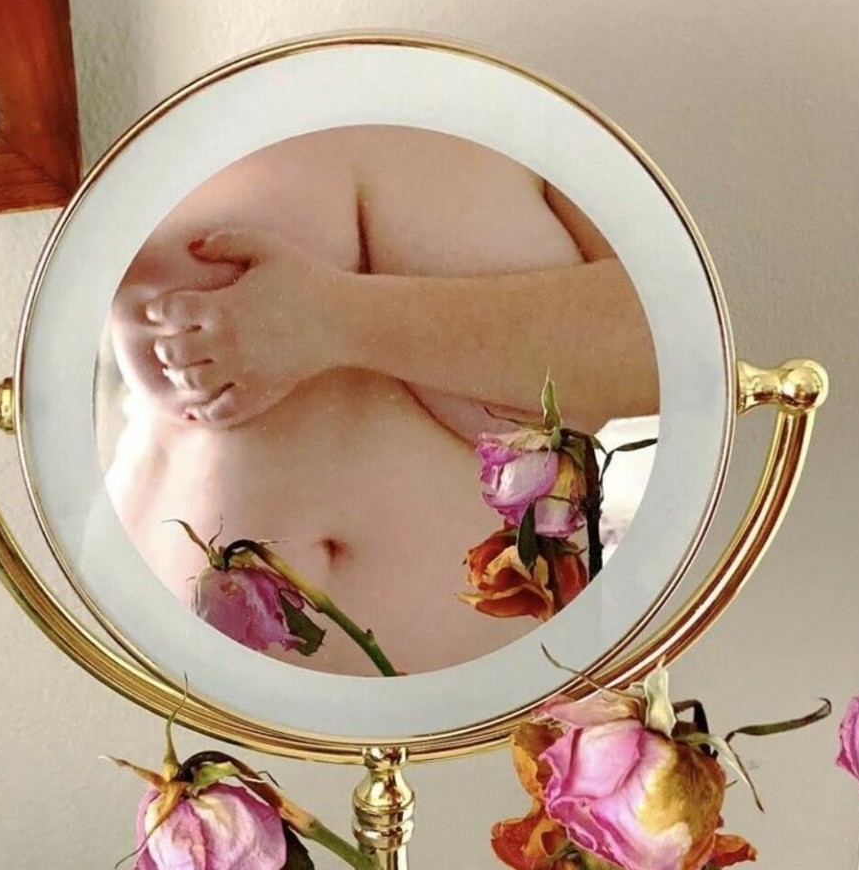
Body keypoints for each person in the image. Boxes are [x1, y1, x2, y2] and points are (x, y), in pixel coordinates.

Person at [100, 125, 657, 676]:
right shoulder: (189, 105)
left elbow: (663, 347)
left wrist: (334, 318)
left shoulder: (537, 113)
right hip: (163, 673)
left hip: (506, 702)